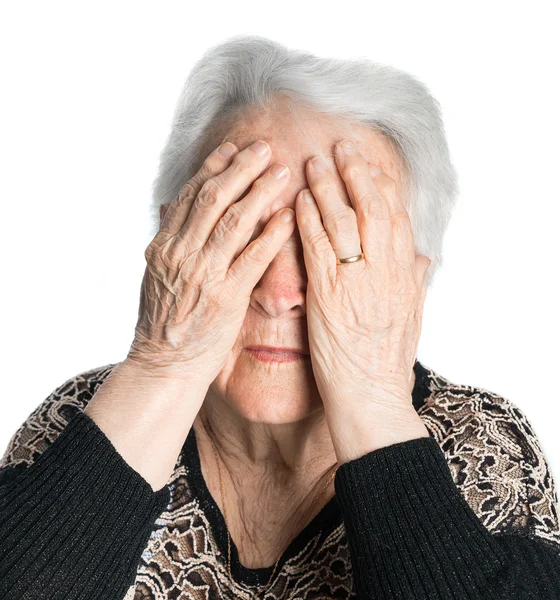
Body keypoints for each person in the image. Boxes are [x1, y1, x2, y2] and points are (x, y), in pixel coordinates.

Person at [1, 34, 559, 600]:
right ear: (173, 248)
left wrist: (371, 396)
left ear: (410, 282)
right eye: (241, 232)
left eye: (338, 245)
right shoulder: (81, 421)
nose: (278, 292)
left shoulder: (480, 440)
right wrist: (163, 366)